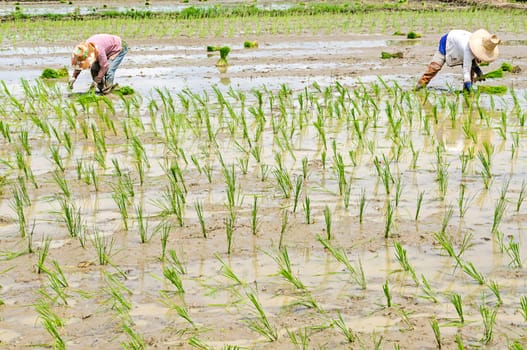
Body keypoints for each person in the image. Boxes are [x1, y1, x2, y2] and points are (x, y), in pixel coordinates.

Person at [415, 29, 500, 92]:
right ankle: (419, 86)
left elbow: (471, 60)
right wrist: (468, 83)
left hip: (460, 42)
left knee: (472, 69)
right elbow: (466, 69)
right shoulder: (469, 49)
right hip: (447, 41)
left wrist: (478, 71)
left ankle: (466, 92)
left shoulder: (478, 44)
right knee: (435, 67)